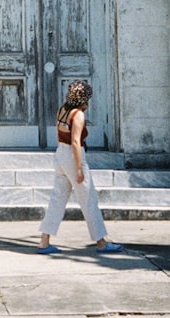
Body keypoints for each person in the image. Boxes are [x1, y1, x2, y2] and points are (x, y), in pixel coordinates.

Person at [37, 80, 123, 254]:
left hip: (60, 154)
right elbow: (76, 142)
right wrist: (78, 169)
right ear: (83, 98)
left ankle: (44, 241)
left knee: (57, 199)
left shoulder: (62, 110)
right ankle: (101, 242)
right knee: (89, 199)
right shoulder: (78, 115)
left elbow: (58, 134)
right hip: (73, 156)